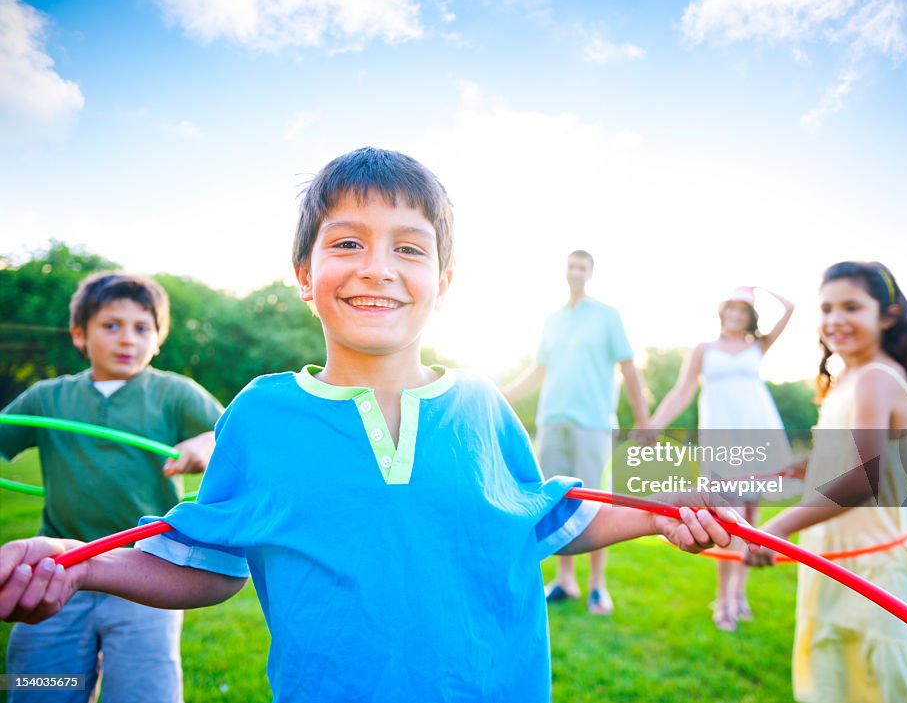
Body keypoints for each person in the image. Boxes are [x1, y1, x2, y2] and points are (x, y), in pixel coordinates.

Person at [0, 148, 741, 703]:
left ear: (442, 285)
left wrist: (658, 511)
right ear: (304, 273)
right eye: (347, 242)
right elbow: (206, 562)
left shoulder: (480, 402)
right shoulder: (261, 415)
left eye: (409, 248)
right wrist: (79, 561)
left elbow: (545, 514)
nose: (377, 267)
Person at [744, 262, 907, 703]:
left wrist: (776, 528)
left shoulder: (874, 378)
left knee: (885, 680)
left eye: (852, 306)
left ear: (886, 315)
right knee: (842, 677)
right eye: (827, 308)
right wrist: (770, 474)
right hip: (838, 555)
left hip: (876, 567)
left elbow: (861, 479)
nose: (835, 319)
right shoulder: (850, 377)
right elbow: (836, 455)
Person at [0, 272, 223, 703]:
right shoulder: (47, 398)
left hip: (148, 573)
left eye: (142, 328)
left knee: (144, 692)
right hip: (58, 566)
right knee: (40, 686)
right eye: (111, 325)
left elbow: (232, 439)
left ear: (158, 340)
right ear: (79, 334)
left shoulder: (173, 393)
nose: (127, 340)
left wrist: (204, 443)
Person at [502, 250, 650, 615]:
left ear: (590, 273)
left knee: (596, 503)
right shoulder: (552, 320)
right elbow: (537, 372)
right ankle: (565, 580)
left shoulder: (606, 316)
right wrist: (498, 395)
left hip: (593, 423)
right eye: (571, 265)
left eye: (582, 266)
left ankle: (597, 587)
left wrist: (644, 421)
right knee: (555, 502)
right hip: (552, 421)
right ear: (565, 271)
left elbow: (629, 368)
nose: (575, 271)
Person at [643, 285, 794, 631]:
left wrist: (764, 288)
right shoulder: (703, 349)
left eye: (744, 311)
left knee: (751, 521)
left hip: (759, 430)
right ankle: (722, 600)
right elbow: (682, 392)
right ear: (722, 312)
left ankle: (740, 595)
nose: (736, 316)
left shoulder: (758, 345)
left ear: (750, 317)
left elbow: (790, 308)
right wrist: (654, 424)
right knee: (729, 518)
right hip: (723, 436)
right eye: (732, 309)